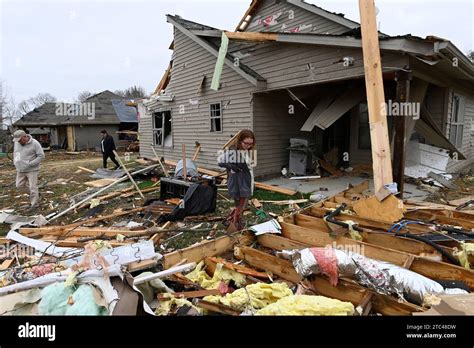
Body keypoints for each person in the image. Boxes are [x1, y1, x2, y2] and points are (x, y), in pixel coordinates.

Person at [218, 129, 256, 231]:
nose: (249, 146)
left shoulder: (245, 151)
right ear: (240, 141)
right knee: (240, 206)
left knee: (241, 206)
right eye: (246, 143)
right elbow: (220, 161)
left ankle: (232, 221)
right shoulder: (233, 151)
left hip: (246, 182)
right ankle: (236, 226)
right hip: (238, 184)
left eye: (251, 144)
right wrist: (230, 166)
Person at [12, 130, 45, 211]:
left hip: (32, 170)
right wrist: (15, 162)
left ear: (25, 136)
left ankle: (35, 205)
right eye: (17, 140)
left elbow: (41, 156)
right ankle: (36, 194)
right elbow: (15, 153)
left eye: (20, 140)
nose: (18, 142)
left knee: (33, 187)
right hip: (20, 169)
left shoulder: (34, 143)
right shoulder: (17, 143)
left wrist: (30, 163)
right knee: (19, 185)